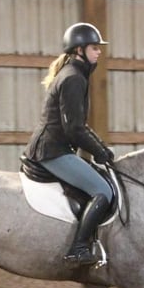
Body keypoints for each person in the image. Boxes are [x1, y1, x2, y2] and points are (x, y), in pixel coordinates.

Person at [23, 22, 115, 267]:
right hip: (52, 151)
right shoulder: (74, 78)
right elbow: (73, 128)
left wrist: (100, 148)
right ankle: (78, 248)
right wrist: (99, 151)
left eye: (98, 48)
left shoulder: (75, 75)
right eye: (94, 48)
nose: (99, 52)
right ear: (79, 50)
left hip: (55, 147)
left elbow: (79, 125)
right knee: (103, 191)